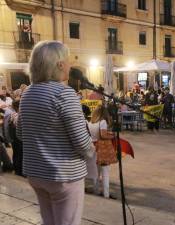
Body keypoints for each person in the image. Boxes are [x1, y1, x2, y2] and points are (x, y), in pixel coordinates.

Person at [17, 41, 93, 225]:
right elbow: (82, 143)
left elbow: (20, 133)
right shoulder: (64, 93)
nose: (70, 65)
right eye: (67, 60)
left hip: (36, 173)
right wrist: (92, 151)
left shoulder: (27, 94)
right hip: (63, 175)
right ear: (59, 64)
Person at [87, 105, 116, 199]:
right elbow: (103, 135)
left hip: (93, 148)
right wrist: (112, 135)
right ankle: (106, 194)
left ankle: (96, 191)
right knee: (105, 172)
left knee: (96, 172)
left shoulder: (90, 123)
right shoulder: (102, 122)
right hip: (103, 149)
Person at [9, 100, 23, 176]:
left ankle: (16, 169)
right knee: (19, 154)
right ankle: (19, 171)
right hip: (18, 138)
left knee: (16, 153)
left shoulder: (13, 114)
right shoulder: (16, 115)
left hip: (15, 137)